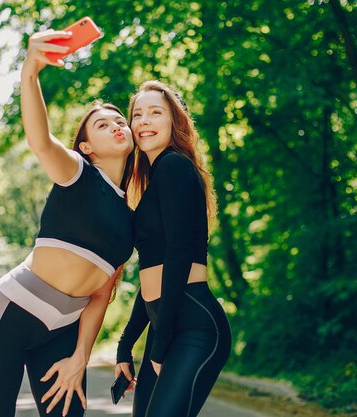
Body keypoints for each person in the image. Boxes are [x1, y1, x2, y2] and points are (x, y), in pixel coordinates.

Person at [0, 29, 135, 417]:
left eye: (119, 120)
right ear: (87, 147)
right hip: (10, 311)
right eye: (103, 124)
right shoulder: (78, 173)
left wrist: (80, 357)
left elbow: (100, 296)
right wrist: (31, 72)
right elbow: (41, 141)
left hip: (62, 331)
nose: (116, 126)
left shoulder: (132, 214)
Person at [114, 80, 231, 417]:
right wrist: (126, 345)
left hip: (194, 327)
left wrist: (161, 345)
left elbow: (179, 254)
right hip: (165, 326)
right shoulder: (154, 179)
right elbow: (154, 274)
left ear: (174, 122)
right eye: (137, 114)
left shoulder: (174, 166)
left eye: (155, 113)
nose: (144, 121)